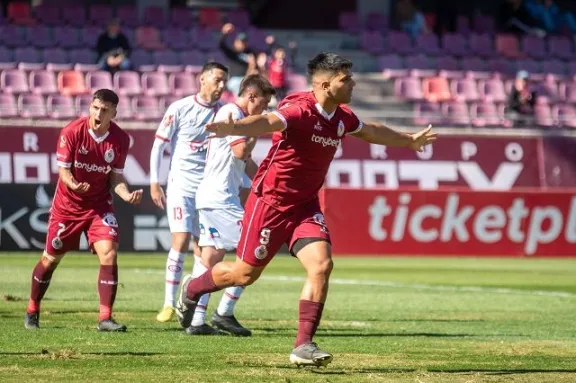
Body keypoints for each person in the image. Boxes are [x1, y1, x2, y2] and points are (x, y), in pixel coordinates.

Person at [177, 52, 437, 366]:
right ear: (326, 84)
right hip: (270, 204)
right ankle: (193, 289)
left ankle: (303, 345)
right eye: (346, 79)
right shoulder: (298, 110)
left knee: (321, 266)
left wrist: (409, 141)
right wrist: (237, 128)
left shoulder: (342, 117)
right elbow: (267, 121)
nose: (352, 83)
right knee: (243, 275)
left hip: (304, 206)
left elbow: (372, 131)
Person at [24, 89, 143, 331]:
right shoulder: (72, 131)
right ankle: (32, 308)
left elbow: (116, 177)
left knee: (109, 252)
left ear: (114, 113)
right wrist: (74, 184)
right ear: (90, 107)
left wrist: (126, 194)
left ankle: (105, 318)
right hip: (67, 207)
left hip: (99, 206)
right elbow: (64, 171)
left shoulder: (120, 139)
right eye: (95, 108)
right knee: (51, 260)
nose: (98, 114)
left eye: (105, 110)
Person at [177, 74, 276, 336]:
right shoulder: (232, 112)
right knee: (254, 252)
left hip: (213, 196)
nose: (264, 111)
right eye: (263, 105)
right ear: (252, 97)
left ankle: (197, 321)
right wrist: (253, 130)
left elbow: (247, 162)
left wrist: (264, 184)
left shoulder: (236, 118)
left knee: (210, 258)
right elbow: (240, 152)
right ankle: (224, 312)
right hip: (220, 198)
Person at [149, 62, 228, 324]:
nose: (221, 86)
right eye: (217, 80)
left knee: (203, 249)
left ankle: (188, 302)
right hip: (181, 185)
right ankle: (168, 303)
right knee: (180, 241)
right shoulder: (180, 108)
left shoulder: (223, 114)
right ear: (202, 79)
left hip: (208, 190)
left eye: (224, 82)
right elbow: (158, 147)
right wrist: (154, 182)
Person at [219, 23, 257, 96]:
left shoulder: (250, 52)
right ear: (235, 42)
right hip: (234, 79)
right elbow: (221, 45)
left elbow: (254, 68)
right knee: (241, 89)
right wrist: (224, 33)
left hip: (246, 79)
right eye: (240, 42)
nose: (242, 44)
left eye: (244, 42)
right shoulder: (232, 52)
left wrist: (252, 65)